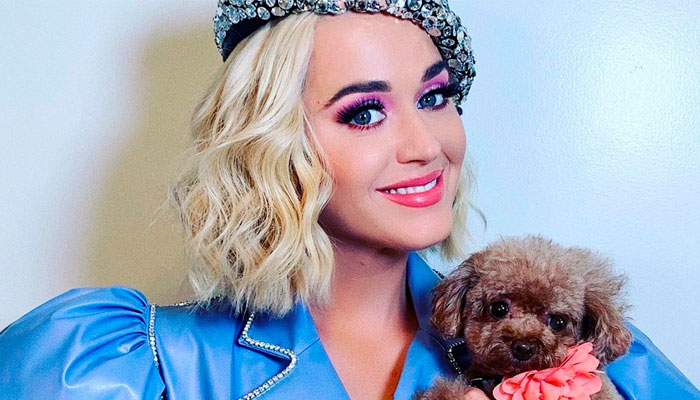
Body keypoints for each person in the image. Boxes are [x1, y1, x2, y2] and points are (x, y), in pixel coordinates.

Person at [1, 1, 698, 399]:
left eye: (435, 98)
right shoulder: (126, 361)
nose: (425, 144)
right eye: (364, 113)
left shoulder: (589, 355)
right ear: (274, 144)